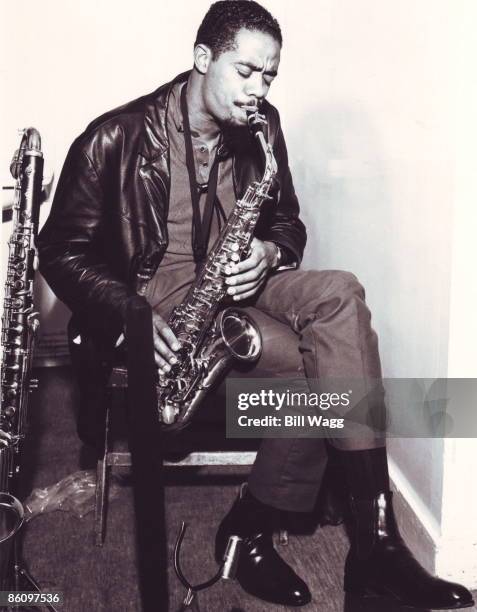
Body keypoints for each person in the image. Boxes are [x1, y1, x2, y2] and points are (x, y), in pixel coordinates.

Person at [37, 1, 474, 609]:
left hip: (239, 278)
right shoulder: (114, 136)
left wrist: (270, 251)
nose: (258, 90)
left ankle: (377, 545)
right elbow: (59, 250)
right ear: (202, 58)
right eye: (245, 72)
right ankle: (251, 529)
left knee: (341, 292)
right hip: (155, 296)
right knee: (310, 366)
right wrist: (128, 312)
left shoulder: (262, 128)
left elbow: (287, 221)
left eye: (268, 76)